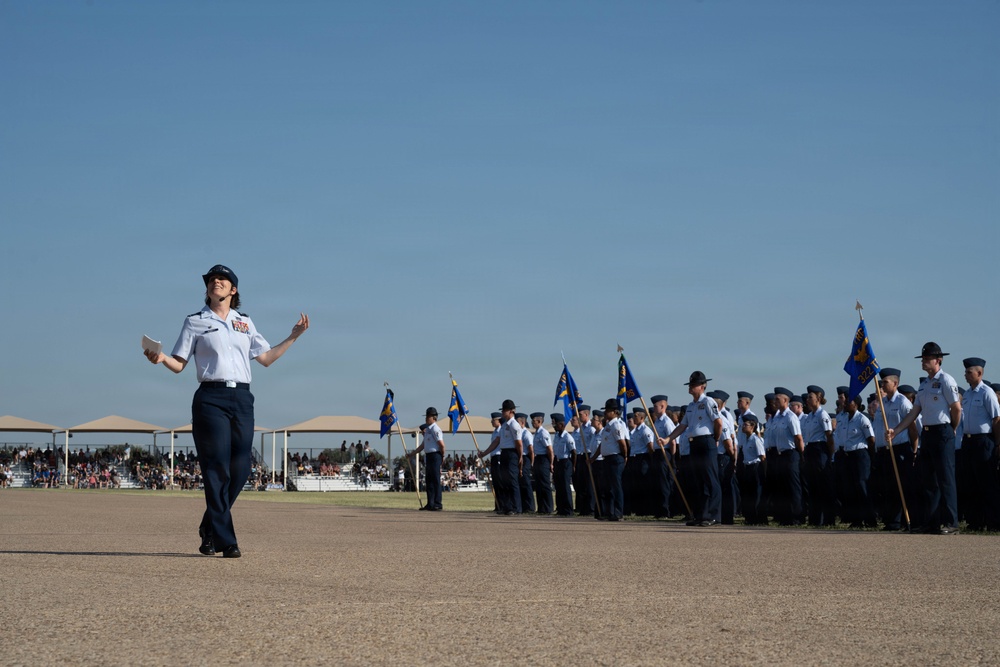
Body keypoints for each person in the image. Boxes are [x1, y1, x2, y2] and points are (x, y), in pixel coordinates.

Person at [144, 264, 309, 558]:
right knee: (217, 468)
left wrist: (293, 336)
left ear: (233, 290)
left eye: (222, 279)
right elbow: (179, 364)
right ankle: (226, 540)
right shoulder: (195, 321)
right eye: (211, 280)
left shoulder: (244, 322)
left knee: (241, 468)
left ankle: (209, 525)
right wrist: (160, 359)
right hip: (210, 398)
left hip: (243, 398)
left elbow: (266, 358)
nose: (215, 282)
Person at [887, 342, 962, 534]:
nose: (923, 362)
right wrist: (896, 430)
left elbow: (956, 408)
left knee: (946, 479)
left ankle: (951, 522)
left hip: (943, 431)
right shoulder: (924, 385)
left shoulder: (946, 380)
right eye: (923, 359)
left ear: (938, 360)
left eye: (927, 359)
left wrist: (951, 428)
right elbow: (914, 412)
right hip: (927, 433)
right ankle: (932, 521)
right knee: (928, 480)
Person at [662, 372, 723, 527]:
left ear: (702, 386)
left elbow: (718, 423)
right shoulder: (690, 406)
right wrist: (668, 439)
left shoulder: (709, 402)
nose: (690, 387)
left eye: (693, 385)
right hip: (694, 444)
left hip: (707, 442)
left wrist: (715, 439)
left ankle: (714, 515)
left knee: (710, 480)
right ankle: (701, 515)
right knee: (699, 481)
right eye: (690, 384)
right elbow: (683, 426)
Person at [959, 357, 1000, 530]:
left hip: (984, 441)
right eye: (966, 372)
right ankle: (975, 522)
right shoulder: (967, 394)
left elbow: (996, 419)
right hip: (968, 441)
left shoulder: (987, 392)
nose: (965, 375)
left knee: (987, 484)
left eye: (969, 372)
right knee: (970, 483)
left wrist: (997, 444)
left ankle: (993, 522)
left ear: (979, 373)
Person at [411, 407, 445, 511]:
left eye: (428, 416)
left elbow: (441, 444)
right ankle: (430, 503)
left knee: (435, 480)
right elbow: (423, 445)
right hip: (429, 456)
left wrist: (442, 456)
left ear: (434, 417)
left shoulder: (435, 429)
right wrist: (412, 453)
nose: (426, 418)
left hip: (435, 455)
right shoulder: (428, 430)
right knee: (429, 480)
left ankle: (437, 503)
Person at [550, 413, 576, 516]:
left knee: (565, 487)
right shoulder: (556, 436)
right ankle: (560, 509)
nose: (554, 426)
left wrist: (573, 466)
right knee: (559, 487)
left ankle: (568, 510)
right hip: (558, 462)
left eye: (555, 424)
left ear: (561, 424)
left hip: (566, 462)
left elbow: (573, 452)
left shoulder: (567, 437)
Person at [531, 412, 554, 514]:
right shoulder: (537, 433)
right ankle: (541, 508)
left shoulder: (544, 433)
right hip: (538, 458)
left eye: (534, 421)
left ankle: (548, 508)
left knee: (545, 484)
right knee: (539, 484)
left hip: (544, 459)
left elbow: (549, 449)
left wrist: (551, 462)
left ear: (539, 421)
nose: (532, 423)